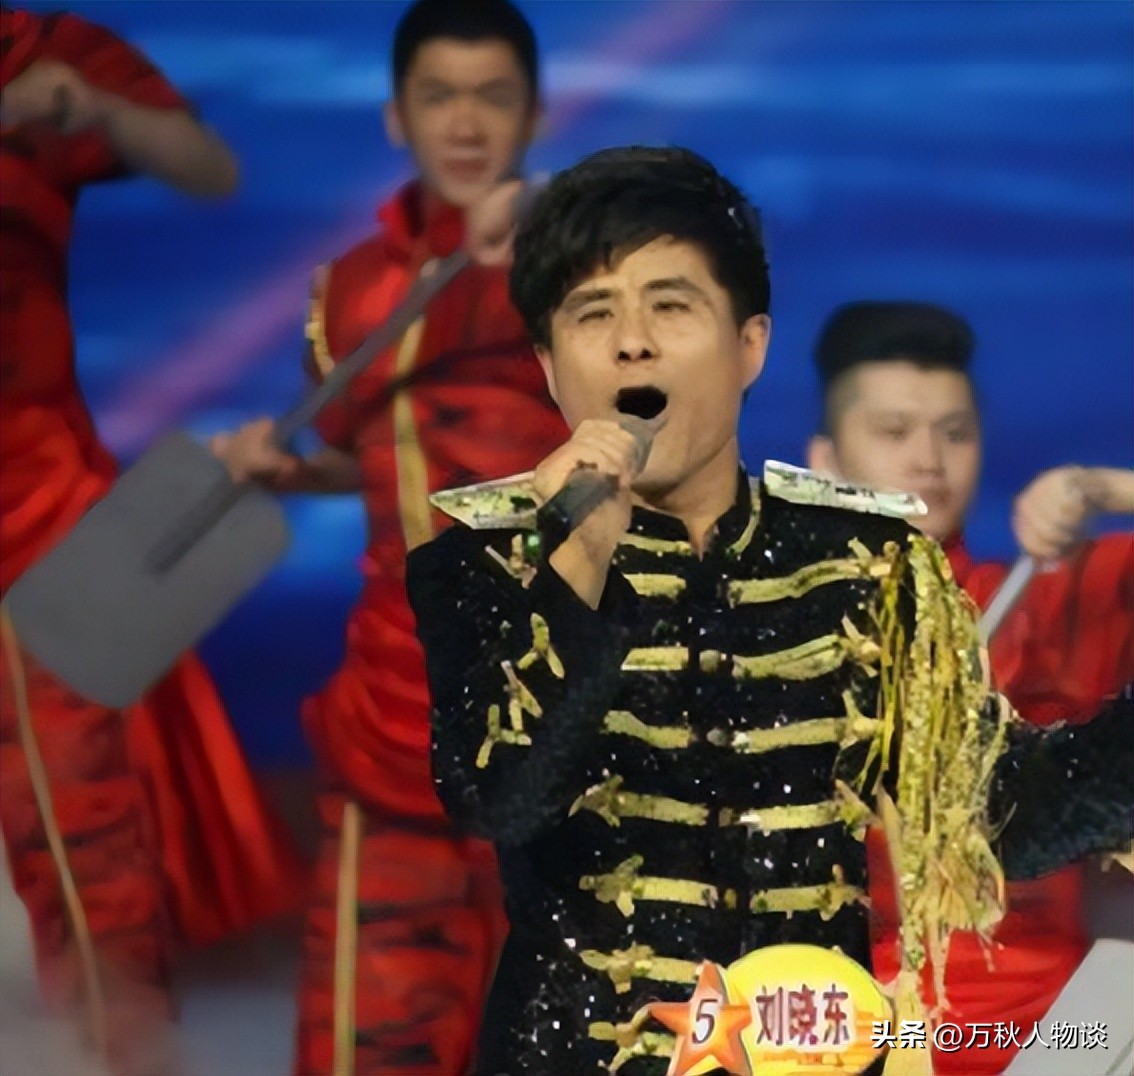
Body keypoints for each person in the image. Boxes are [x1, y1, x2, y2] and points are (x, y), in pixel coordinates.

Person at [405, 146, 1134, 1076]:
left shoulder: (867, 562)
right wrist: (576, 561)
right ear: (548, 366)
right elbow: (496, 796)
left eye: (671, 306)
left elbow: (992, 812)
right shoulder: (487, 561)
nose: (633, 343)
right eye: (594, 314)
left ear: (750, 345)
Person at [210, 2, 565, 1072]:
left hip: (560, 690)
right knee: (377, 1030)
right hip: (397, 701)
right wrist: (290, 471)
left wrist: (549, 229)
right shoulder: (353, 291)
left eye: (493, 97)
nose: (466, 122)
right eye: (438, 97)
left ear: (536, 114)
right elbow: (372, 455)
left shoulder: (587, 269)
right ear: (395, 118)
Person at [0, 7, 305, 1075]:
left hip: (34, 485)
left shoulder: (39, 48)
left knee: (79, 785)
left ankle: (114, 1037)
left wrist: (98, 109)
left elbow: (208, 167)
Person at [806, 301, 1134, 1073]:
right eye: (894, 432)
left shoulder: (1052, 603)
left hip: (1059, 1040)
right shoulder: (776, 635)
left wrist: (1107, 488)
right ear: (824, 458)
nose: (929, 459)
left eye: (955, 433)